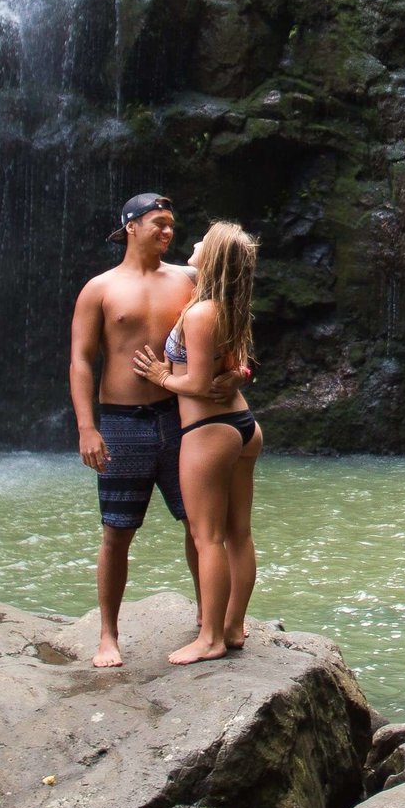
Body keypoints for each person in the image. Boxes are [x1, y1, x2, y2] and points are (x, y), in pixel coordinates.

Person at [67, 191, 226, 669]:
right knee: (117, 532)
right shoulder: (100, 288)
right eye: (158, 222)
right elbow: (80, 360)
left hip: (182, 417)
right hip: (121, 423)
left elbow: (227, 330)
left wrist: (234, 373)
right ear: (130, 227)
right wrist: (86, 428)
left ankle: (207, 622)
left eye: (171, 224)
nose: (168, 231)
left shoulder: (190, 279)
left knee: (198, 525)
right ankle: (108, 636)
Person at [133, 220, 263, 665]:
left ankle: (211, 637)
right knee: (238, 533)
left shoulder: (204, 311)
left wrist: (162, 376)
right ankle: (234, 626)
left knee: (207, 537)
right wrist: (239, 374)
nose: (193, 242)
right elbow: (233, 368)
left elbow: (200, 384)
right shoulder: (226, 306)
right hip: (243, 426)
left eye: (203, 241)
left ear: (214, 257)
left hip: (209, 431)